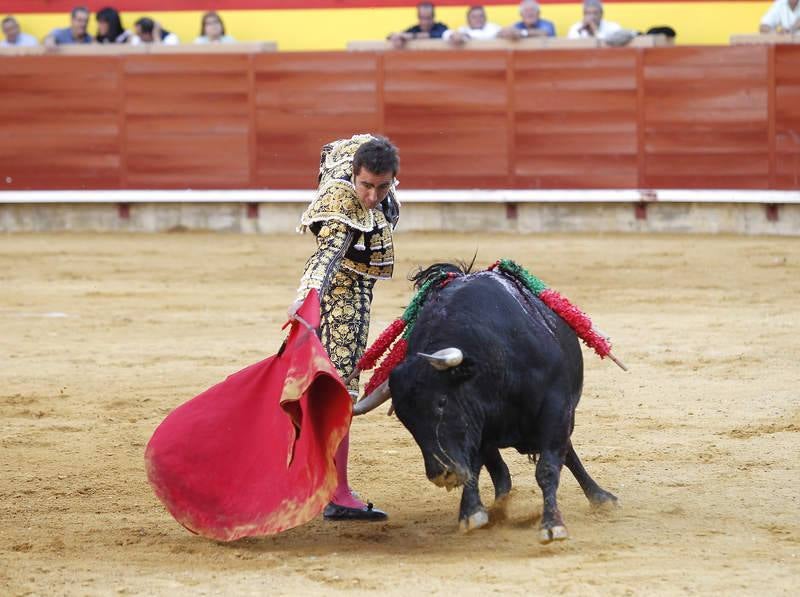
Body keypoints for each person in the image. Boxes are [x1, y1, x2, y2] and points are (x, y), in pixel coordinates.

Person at [291, 134, 400, 521]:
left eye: (382, 186)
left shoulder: (353, 165)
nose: (371, 197)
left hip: (353, 293)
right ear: (353, 175)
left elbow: (335, 148)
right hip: (342, 299)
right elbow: (327, 256)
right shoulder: (343, 205)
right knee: (341, 393)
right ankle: (336, 492)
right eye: (366, 185)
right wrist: (309, 297)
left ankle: (313, 479)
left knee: (324, 389)